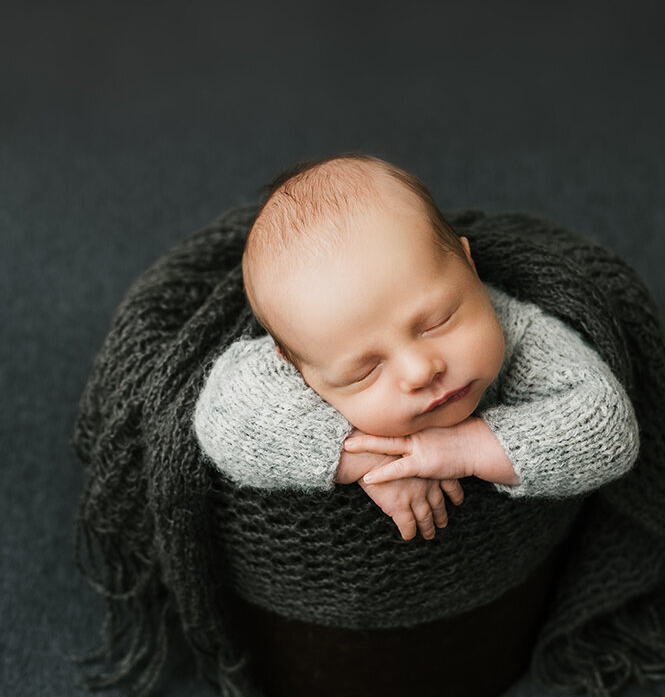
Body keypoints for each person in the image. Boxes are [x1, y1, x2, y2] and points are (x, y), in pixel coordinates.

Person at [194, 153, 641, 541]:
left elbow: (606, 425)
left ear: (468, 265)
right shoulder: (298, 362)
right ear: (299, 368)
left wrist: (468, 448)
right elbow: (222, 416)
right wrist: (365, 456)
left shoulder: (522, 337)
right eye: (365, 371)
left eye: (437, 322)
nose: (420, 370)